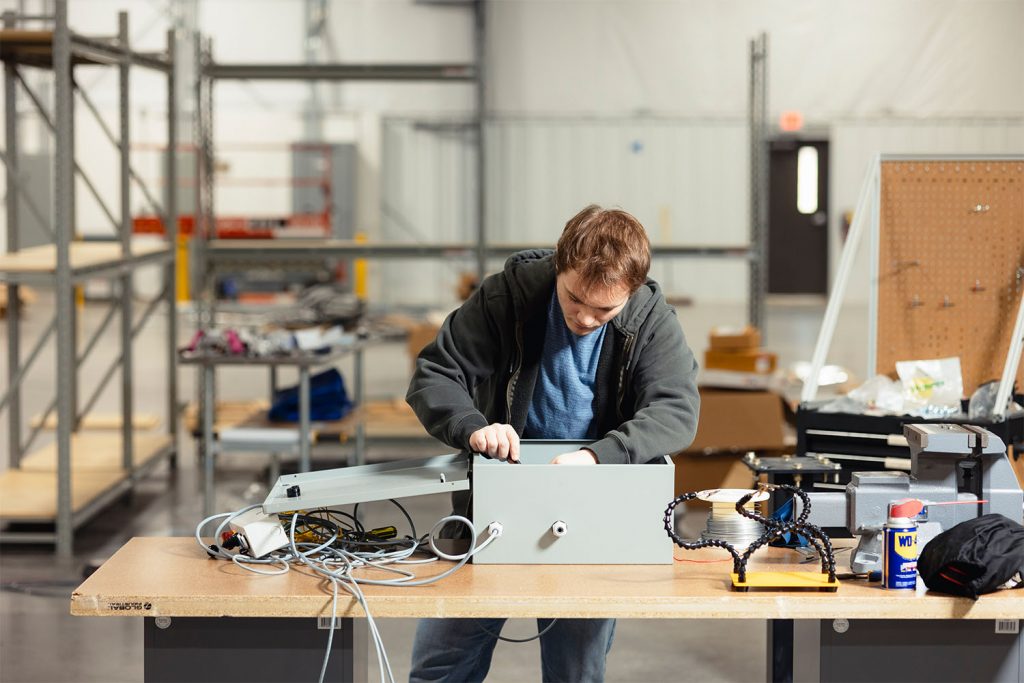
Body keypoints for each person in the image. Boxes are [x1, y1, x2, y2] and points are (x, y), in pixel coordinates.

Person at [405, 204, 700, 682]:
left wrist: (599, 456)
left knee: (576, 671)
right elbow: (436, 373)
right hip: (494, 497)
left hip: (590, 504)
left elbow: (676, 412)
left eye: (605, 309)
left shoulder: (650, 320)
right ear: (561, 267)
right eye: (575, 298)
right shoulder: (508, 296)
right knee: (441, 661)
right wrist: (472, 425)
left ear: (631, 291)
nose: (584, 318)